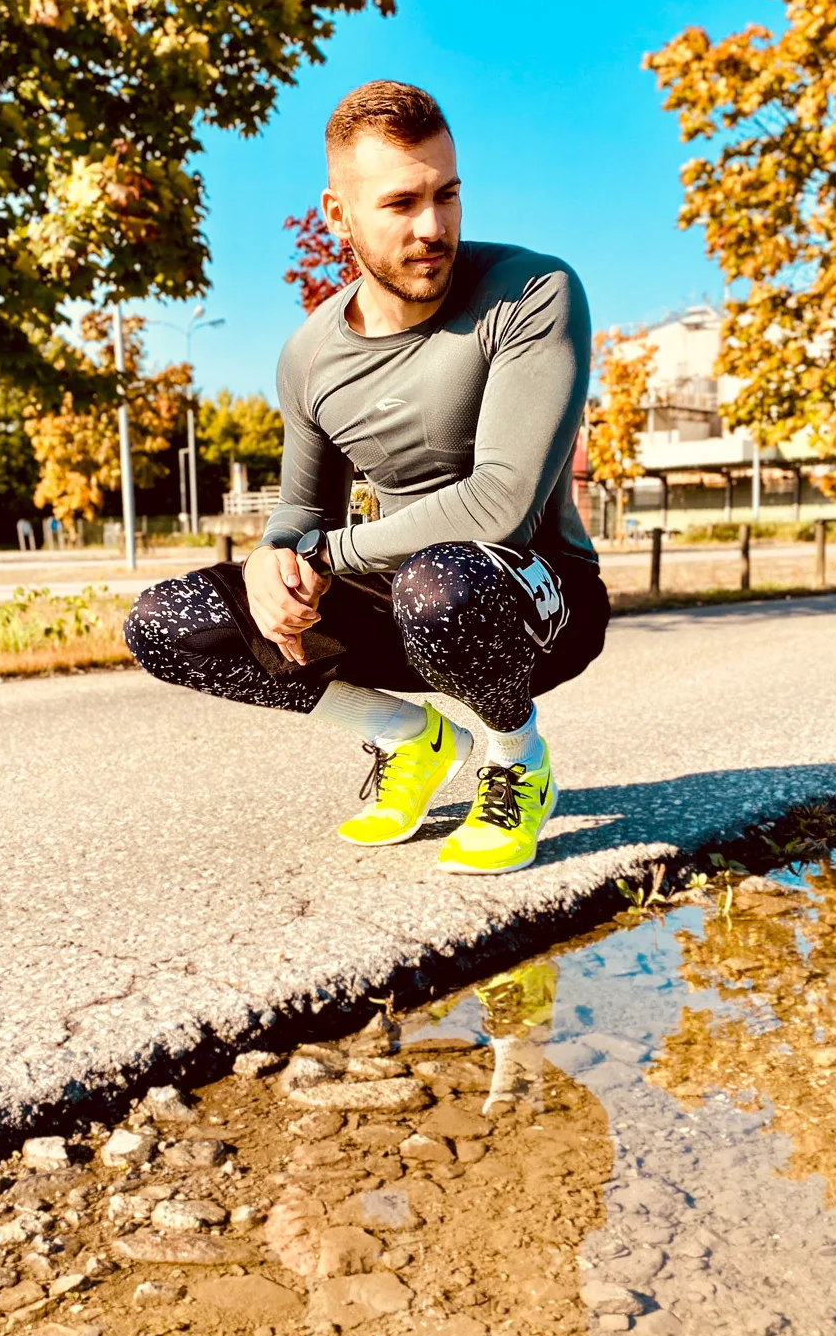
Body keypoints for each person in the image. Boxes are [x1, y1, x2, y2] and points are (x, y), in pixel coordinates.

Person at [125, 80, 608, 875]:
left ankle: (516, 757)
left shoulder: (533, 293)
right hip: (401, 595)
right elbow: (301, 507)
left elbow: (502, 503)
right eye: (401, 203)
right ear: (337, 214)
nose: (433, 227)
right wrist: (273, 562)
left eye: (447, 195)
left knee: (439, 584)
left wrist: (325, 557)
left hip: (536, 597)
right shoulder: (309, 354)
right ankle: (406, 737)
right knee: (166, 622)